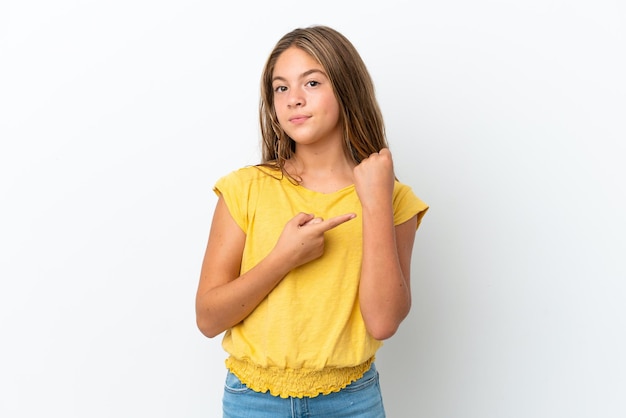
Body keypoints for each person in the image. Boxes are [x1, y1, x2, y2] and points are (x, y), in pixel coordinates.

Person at [195, 25, 428, 418]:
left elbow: (383, 321)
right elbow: (208, 318)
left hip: (352, 401)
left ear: (346, 88)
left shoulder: (394, 198)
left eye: (312, 82)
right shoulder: (245, 188)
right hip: (253, 402)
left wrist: (374, 203)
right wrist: (282, 258)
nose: (294, 100)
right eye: (281, 88)